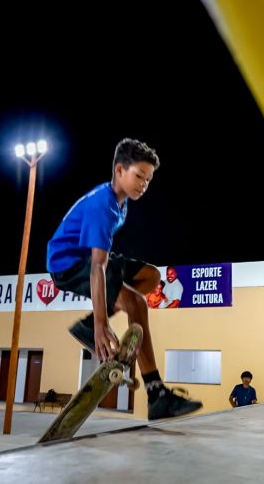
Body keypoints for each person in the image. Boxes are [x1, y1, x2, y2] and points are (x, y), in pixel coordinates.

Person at [46, 137, 202, 420]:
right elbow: (97, 268)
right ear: (120, 170)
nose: (144, 184)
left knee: (151, 277)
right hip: (67, 265)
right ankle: (157, 393)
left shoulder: (121, 204)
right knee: (135, 302)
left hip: (87, 259)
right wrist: (100, 324)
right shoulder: (102, 206)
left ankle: (84, 327)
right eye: (139, 176)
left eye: (149, 180)